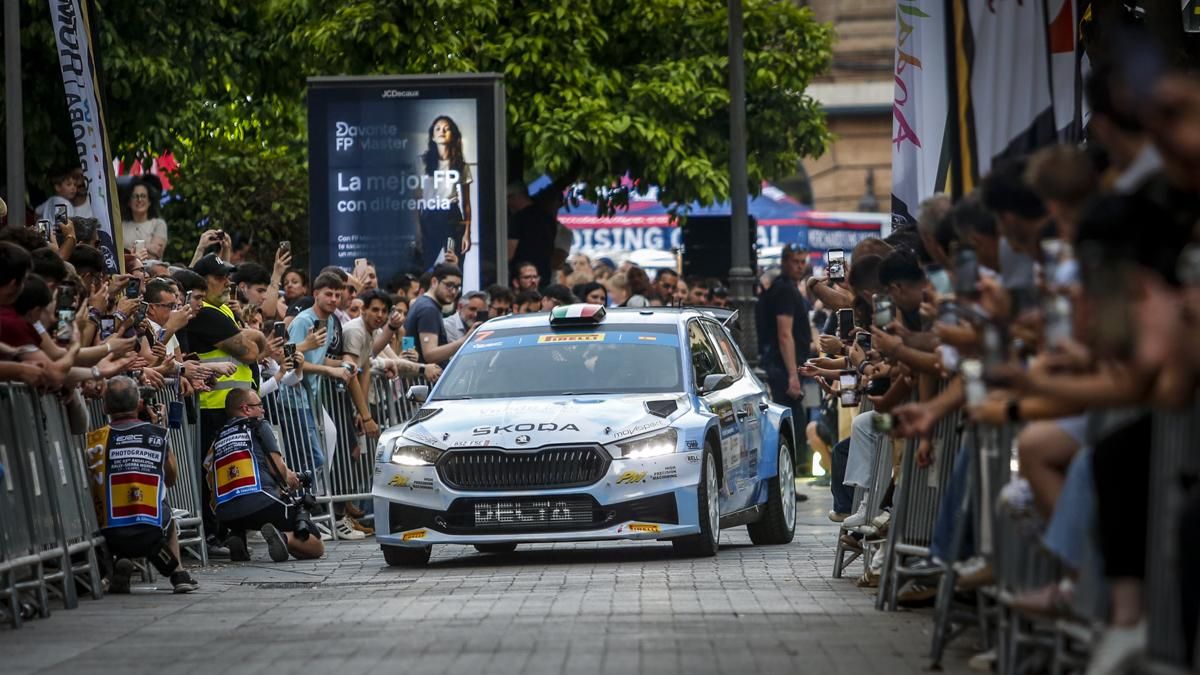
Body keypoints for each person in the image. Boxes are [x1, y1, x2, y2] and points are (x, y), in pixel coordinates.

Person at [186, 253, 266, 554]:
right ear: (202, 282)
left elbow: (252, 350)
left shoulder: (223, 311)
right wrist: (255, 334)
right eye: (219, 277)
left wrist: (250, 335)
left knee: (233, 474)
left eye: (227, 276)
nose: (226, 282)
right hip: (213, 408)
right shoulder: (205, 312)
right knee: (213, 476)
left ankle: (232, 531)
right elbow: (249, 353)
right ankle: (213, 533)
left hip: (233, 409)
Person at [88, 376, 198, 593]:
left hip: (107, 534)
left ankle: (114, 571)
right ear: (140, 404)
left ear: (105, 406)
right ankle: (178, 575)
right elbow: (171, 479)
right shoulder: (156, 435)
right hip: (151, 533)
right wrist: (161, 429)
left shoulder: (95, 439)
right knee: (168, 516)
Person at [206, 388, 325, 562]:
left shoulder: (219, 436)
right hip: (261, 504)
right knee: (315, 543)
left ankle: (238, 537)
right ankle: (285, 538)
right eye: (259, 405)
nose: (263, 410)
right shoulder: (258, 425)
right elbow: (278, 469)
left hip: (225, 512)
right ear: (246, 409)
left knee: (246, 513)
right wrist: (291, 479)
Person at [757, 245, 812, 475]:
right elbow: (784, 334)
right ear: (785, 262)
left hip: (782, 367)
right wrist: (793, 376)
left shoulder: (784, 288)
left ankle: (786, 479)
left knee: (791, 426)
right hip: (782, 369)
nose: (800, 266)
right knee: (791, 427)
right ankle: (785, 479)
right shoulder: (785, 291)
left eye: (802, 261)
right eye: (795, 261)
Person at [418, 116, 472, 269]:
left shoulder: (461, 165)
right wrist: (417, 229)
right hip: (429, 214)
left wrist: (467, 232)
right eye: (438, 128)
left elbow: (466, 203)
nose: (442, 131)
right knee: (425, 264)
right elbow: (415, 198)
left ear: (452, 134)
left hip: (452, 215)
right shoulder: (422, 162)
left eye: (446, 128)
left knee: (454, 264)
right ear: (433, 136)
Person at [404, 263, 470, 366]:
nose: (453, 291)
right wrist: (465, 340)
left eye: (457, 287)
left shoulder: (421, 303)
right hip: (426, 379)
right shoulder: (428, 309)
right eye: (449, 285)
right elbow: (430, 355)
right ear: (434, 282)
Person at [507, 184, 557, 287]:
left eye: (508, 199)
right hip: (544, 273)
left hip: (522, 275)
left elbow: (509, 253)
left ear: (515, 197)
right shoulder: (547, 217)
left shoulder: (518, 219)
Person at [120, 178, 168, 259]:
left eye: (143, 196)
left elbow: (157, 253)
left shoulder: (158, 224)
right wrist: (149, 247)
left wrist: (130, 250)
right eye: (135, 196)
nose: (139, 200)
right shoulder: (121, 226)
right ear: (129, 202)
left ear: (149, 201)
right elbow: (119, 256)